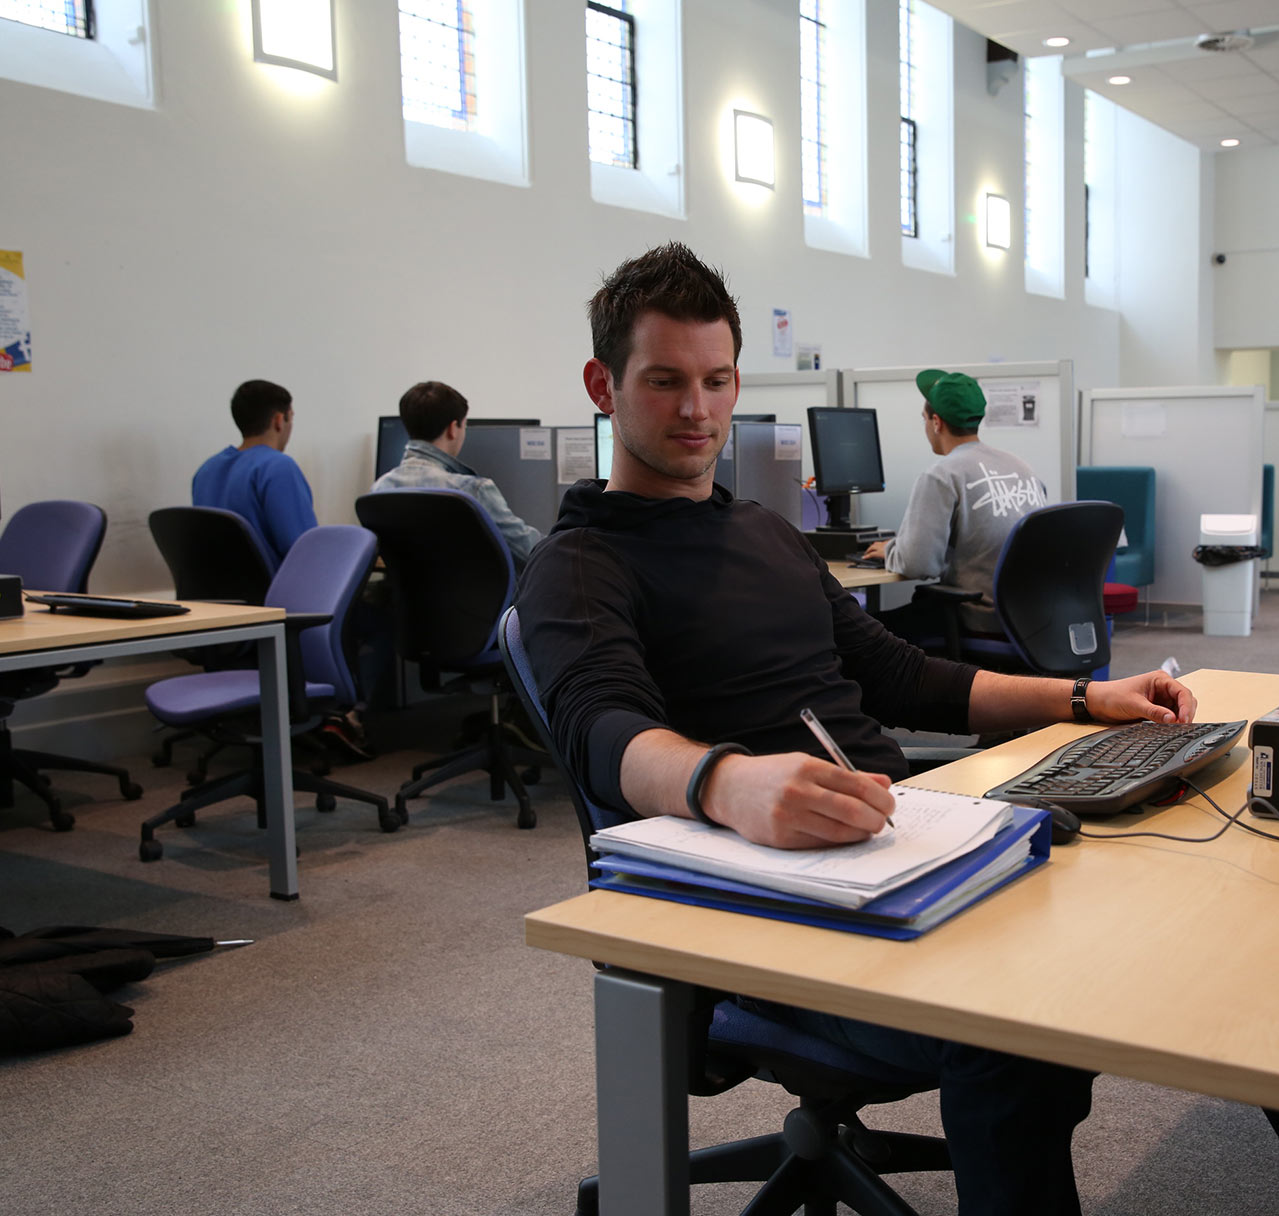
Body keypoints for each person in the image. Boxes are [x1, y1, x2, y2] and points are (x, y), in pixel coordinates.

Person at [516, 242, 1199, 1215]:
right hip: (753, 912)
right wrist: (731, 783)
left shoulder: (763, 532)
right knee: (1015, 1027)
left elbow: (904, 677)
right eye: (665, 382)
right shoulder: (579, 563)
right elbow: (603, 730)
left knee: (1107, 916)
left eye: (716, 381)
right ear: (603, 384)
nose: (697, 410)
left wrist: (1085, 698)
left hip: (889, 847)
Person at [863, 370, 1045, 635]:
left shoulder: (942, 475)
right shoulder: (1021, 466)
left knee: (863, 634)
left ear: (936, 422)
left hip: (978, 616)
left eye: (924, 419)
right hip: (1033, 619)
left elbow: (918, 564)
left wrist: (892, 550)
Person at [369, 380, 543, 569]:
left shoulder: (379, 490)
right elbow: (530, 551)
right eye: (464, 426)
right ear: (453, 429)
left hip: (405, 598)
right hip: (481, 598)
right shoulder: (473, 491)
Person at [192, 379, 317, 561]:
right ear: (279, 421)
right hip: (275, 589)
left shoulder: (206, 470)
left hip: (218, 588)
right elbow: (306, 552)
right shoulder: (278, 467)